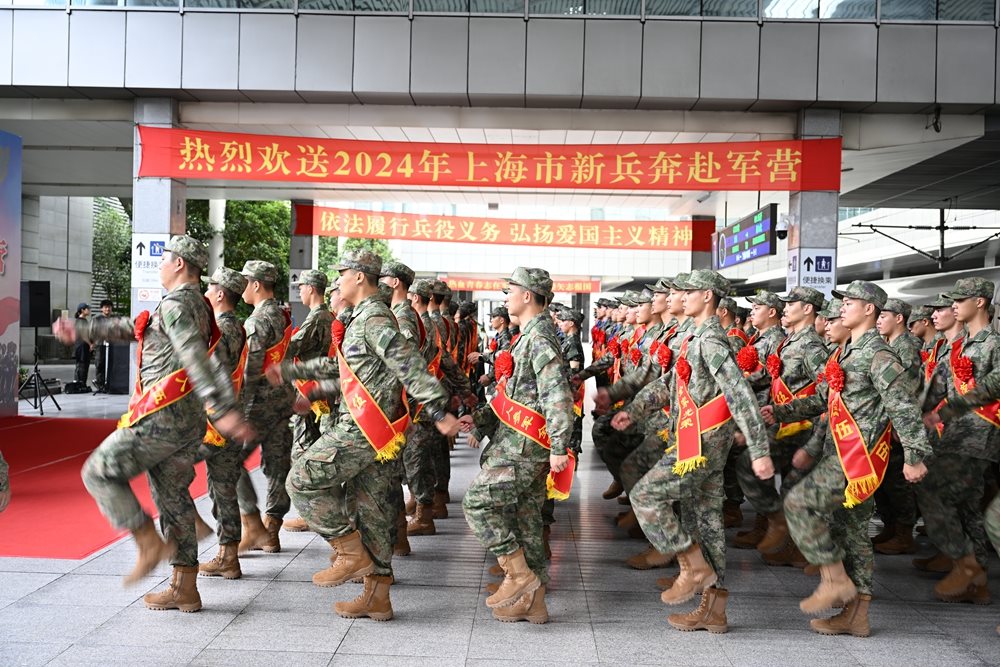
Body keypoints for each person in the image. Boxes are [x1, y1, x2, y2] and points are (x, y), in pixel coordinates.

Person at [54, 235, 252, 612]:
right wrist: (82, 330)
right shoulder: (196, 306)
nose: (160, 265)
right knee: (173, 498)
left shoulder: (179, 305)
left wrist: (221, 406)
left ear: (179, 264)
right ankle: (185, 588)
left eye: (164, 259)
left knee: (98, 471)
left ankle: (147, 541)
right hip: (186, 423)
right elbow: (136, 327)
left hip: (161, 420)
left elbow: (195, 357)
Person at [271, 250, 458, 621]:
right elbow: (348, 369)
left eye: (342, 273)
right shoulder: (361, 318)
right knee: (371, 511)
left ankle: (348, 549)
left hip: (362, 430)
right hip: (372, 431)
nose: (337, 280)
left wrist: (438, 410)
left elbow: (407, 362)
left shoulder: (373, 319)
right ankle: (378, 596)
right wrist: (306, 383)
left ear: (359, 276)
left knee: (301, 479)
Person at [612, 269, 774, 633]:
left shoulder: (713, 340)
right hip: (693, 439)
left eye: (691, 290)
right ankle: (713, 608)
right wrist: (635, 409)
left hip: (702, 444)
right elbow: (672, 382)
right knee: (706, 521)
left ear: (708, 297)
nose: (682, 295)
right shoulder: (693, 336)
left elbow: (739, 394)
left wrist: (759, 448)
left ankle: (692, 564)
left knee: (646, 494)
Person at [764, 280, 929, 637]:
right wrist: (780, 412)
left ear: (869, 309)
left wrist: (914, 456)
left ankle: (835, 580)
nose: (842, 307)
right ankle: (857, 615)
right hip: (838, 450)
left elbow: (903, 406)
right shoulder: (845, 352)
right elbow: (824, 399)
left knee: (798, 504)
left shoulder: (879, 355)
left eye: (850, 302)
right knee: (851, 533)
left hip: (858, 457)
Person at [459, 267, 574, 624]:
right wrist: (479, 419)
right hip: (521, 442)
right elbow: (517, 397)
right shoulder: (527, 336)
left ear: (527, 295)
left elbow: (557, 395)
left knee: (477, 503)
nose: (505, 296)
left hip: (525, 448)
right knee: (526, 522)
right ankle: (535, 602)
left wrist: (558, 445)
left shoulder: (539, 339)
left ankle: (519, 575)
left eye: (510, 290)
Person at [919, 278, 999, 604]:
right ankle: (976, 580)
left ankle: (965, 563)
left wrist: (949, 409)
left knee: (932, 488)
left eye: (959, 300)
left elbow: (994, 384)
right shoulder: (957, 343)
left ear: (979, 302)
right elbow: (938, 384)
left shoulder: (994, 343)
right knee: (967, 505)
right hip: (952, 434)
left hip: (979, 435)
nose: (953, 306)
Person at [738, 286, 828, 567]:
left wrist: (783, 410)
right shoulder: (790, 341)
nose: (786, 307)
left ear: (809, 309)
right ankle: (792, 542)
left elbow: (827, 394)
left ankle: (803, 545)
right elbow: (768, 375)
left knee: (787, 484)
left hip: (804, 427)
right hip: (786, 425)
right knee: (788, 485)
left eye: (793, 303)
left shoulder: (812, 346)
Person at [235, 260, 296, 555]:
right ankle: (272, 530)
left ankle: (253, 528)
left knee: (228, 461)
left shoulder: (258, 320)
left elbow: (251, 367)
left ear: (256, 284)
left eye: (246, 281)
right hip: (282, 401)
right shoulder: (282, 316)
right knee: (277, 464)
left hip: (260, 404)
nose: (242, 288)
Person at [197, 266, 250, 580]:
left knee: (222, 487)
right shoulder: (234, 326)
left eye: (210, 288)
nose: (205, 293)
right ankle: (227, 554)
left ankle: (228, 554)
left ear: (219, 294)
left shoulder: (224, 329)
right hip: (226, 416)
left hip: (218, 420)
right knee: (222, 486)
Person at [870, 298, 923, 555]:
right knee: (885, 480)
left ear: (899, 318)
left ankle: (904, 532)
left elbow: (907, 390)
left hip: (898, 424)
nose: (879, 320)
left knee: (898, 482)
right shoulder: (887, 345)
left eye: (884, 315)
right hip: (884, 423)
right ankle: (890, 526)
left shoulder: (907, 346)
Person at [93, 299, 114, 392]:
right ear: (101, 309)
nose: (107, 309)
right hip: (100, 344)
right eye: (105, 307)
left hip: (112, 345)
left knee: (110, 364)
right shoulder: (96, 319)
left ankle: (109, 383)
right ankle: (100, 384)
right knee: (100, 363)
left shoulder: (114, 319)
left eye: (109, 307)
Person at [73, 303, 92, 388]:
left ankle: (82, 384)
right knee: (81, 365)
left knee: (83, 365)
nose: (89, 310)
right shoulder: (80, 321)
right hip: (81, 346)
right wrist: (90, 344)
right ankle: (79, 384)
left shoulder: (83, 320)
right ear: (82, 310)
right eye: (87, 309)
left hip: (83, 346)